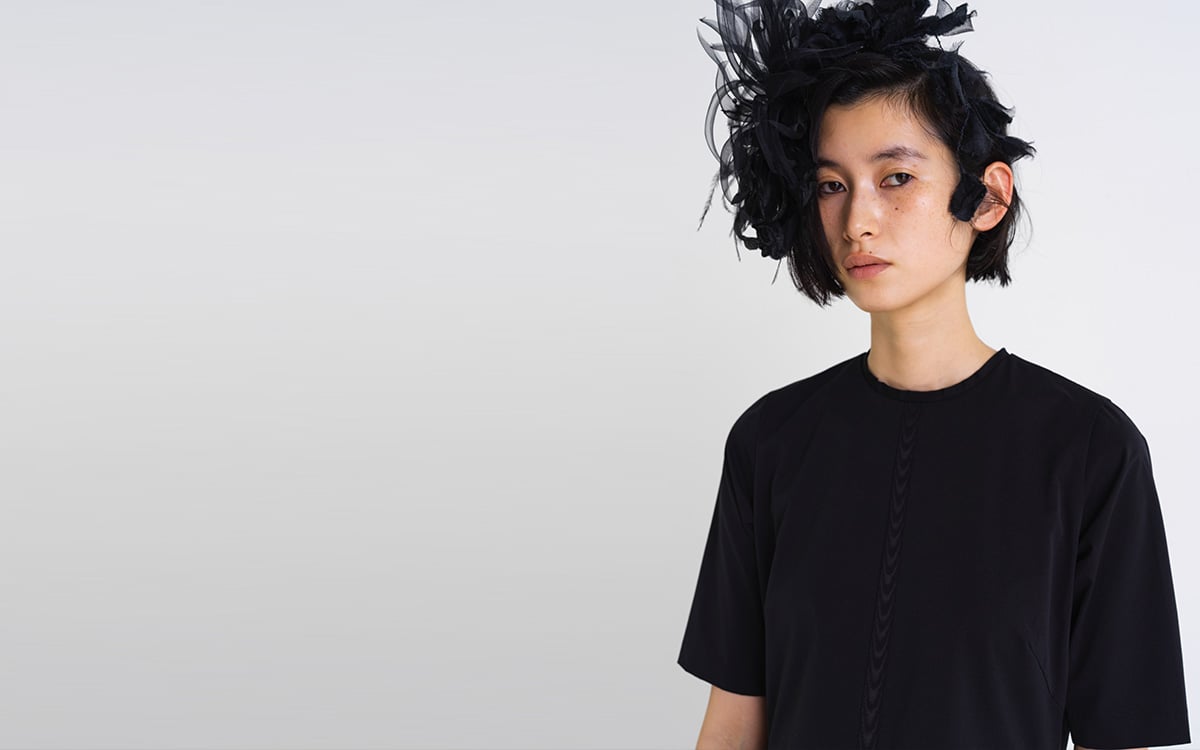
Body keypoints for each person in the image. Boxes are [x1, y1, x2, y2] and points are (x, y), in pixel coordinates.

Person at [677, 1, 1191, 749]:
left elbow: (1125, 734)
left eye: (896, 177)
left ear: (987, 196)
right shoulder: (772, 443)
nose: (858, 220)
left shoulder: (1088, 450)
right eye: (831, 185)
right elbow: (732, 724)